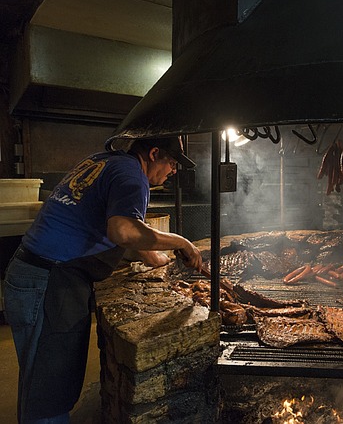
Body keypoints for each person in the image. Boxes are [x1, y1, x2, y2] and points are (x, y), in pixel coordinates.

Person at [1, 136, 204, 423]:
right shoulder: (133, 177)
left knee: (38, 380)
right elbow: (122, 229)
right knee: (49, 389)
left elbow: (112, 218)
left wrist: (152, 256)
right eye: (171, 163)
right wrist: (180, 242)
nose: (172, 171)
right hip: (48, 282)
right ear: (154, 153)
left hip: (33, 274)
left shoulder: (105, 161)